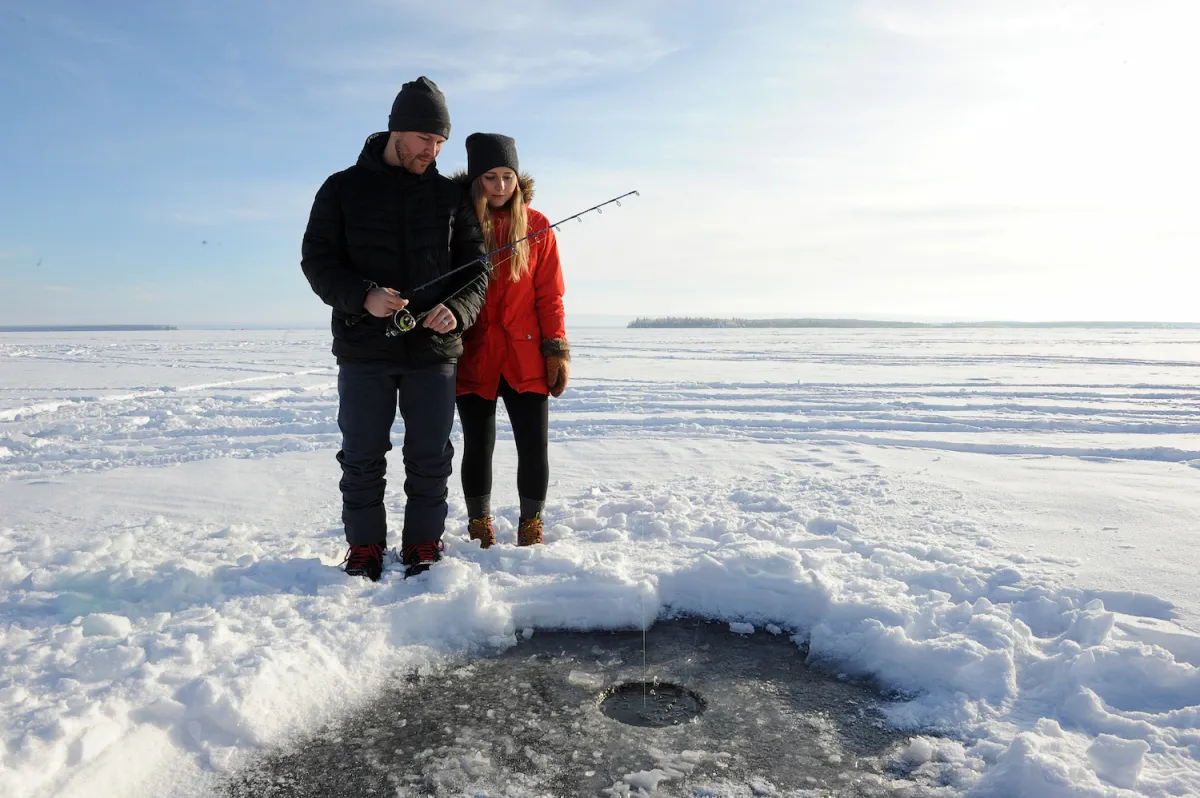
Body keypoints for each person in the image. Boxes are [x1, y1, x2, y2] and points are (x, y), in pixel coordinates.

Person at [301, 77, 488, 580]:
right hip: (364, 348)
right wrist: (364, 295)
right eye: (426, 140)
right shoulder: (341, 188)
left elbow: (477, 273)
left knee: (431, 455)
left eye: (441, 143)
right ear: (396, 131)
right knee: (362, 455)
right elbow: (317, 261)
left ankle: (424, 543)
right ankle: (364, 548)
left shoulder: (451, 197)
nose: (433, 151)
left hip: (434, 349)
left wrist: (457, 311)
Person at [453, 133, 569, 549]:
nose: (501, 186)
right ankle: (479, 524)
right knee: (477, 446)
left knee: (533, 447)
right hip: (475, 354)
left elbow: (549, 295)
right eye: (491, 177)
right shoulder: (459, 221)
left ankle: (531, 524)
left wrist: (555, 348)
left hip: (526, 357)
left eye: (508, 176)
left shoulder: (538, 227)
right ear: (476, 180)